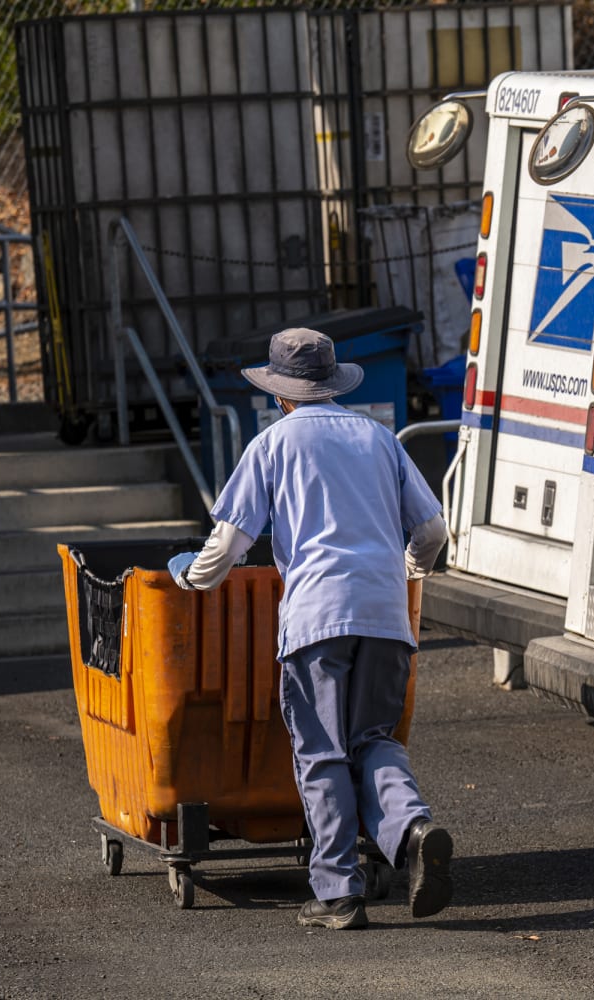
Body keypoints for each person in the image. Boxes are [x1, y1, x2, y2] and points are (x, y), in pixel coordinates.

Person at [167, 327, 451, 931]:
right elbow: (432, 533)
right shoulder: (379, 439)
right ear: (332, 385)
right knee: (375, 739)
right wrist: (403, 573)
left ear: (280, 395)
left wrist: (188, 579)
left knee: (321, 753)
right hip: (385, 615)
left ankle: (337, 893)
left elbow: (228, 547)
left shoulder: (273, 445)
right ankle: (413, 829)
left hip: (317, 620)